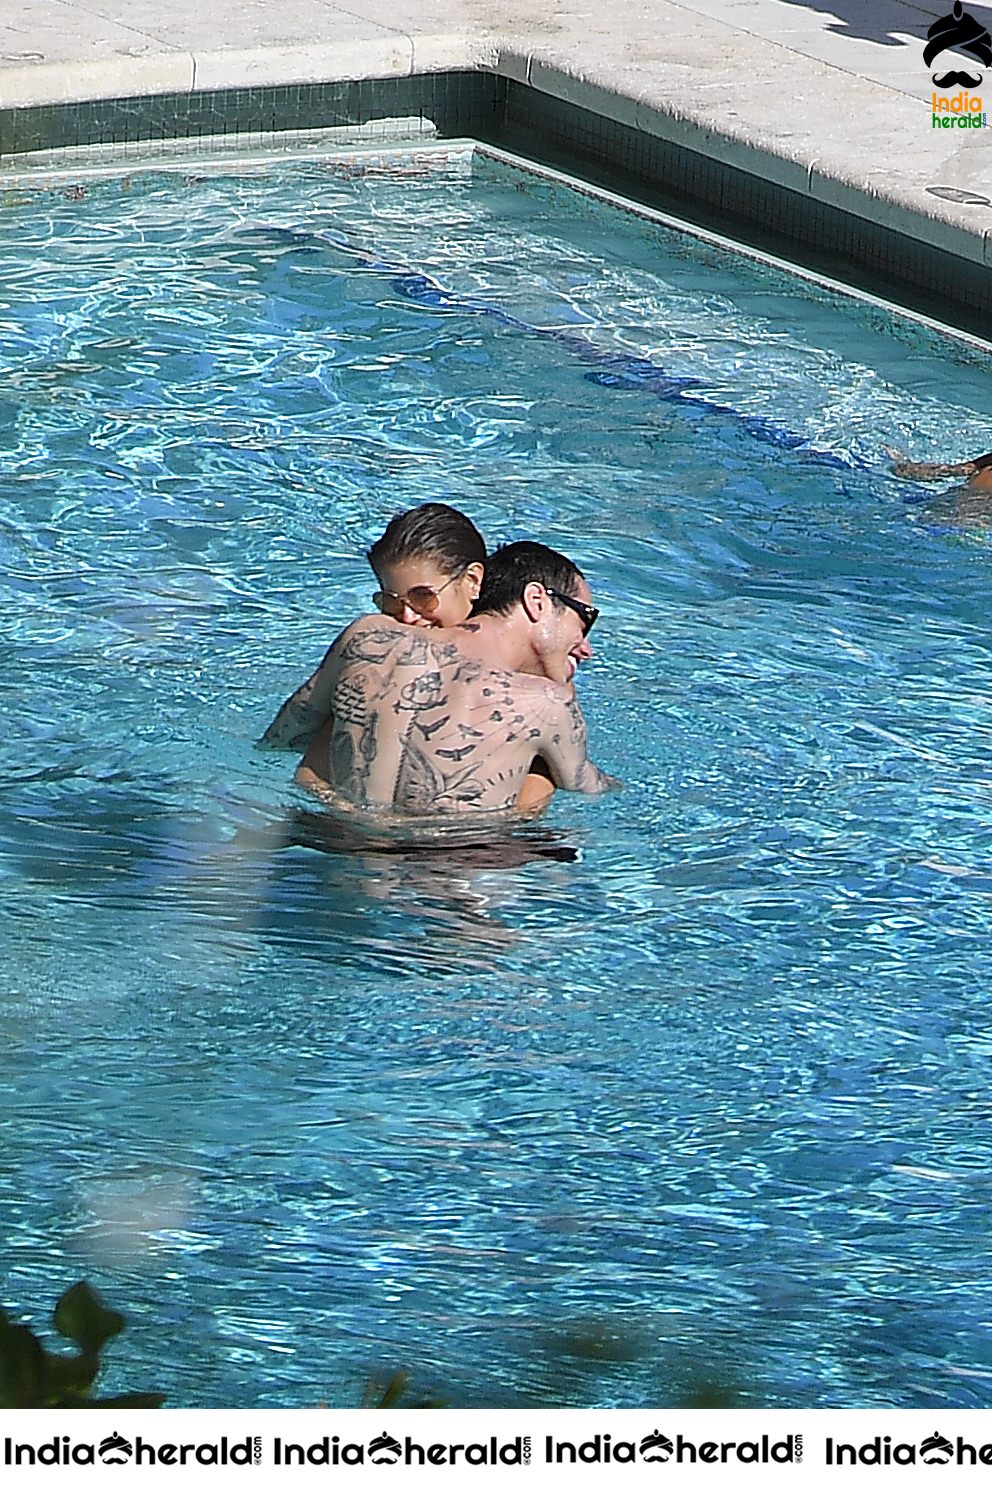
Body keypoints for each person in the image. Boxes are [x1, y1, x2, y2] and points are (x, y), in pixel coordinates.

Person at [287, 540, 618, 818]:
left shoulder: (368, 637)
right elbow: (588, 787)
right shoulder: (547, 701)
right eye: (585, 620)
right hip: (447, 877)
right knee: (544, 772)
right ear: (537, 601)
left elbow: (283, 737)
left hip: (327, 844)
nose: (586, 648)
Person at [261, 503, 555, 810]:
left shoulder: (524, 689)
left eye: (422, 597)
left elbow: (284, 740)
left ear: (472, 580)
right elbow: (295, 753)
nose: (407, 616)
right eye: (389, 601)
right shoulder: (377, 659)